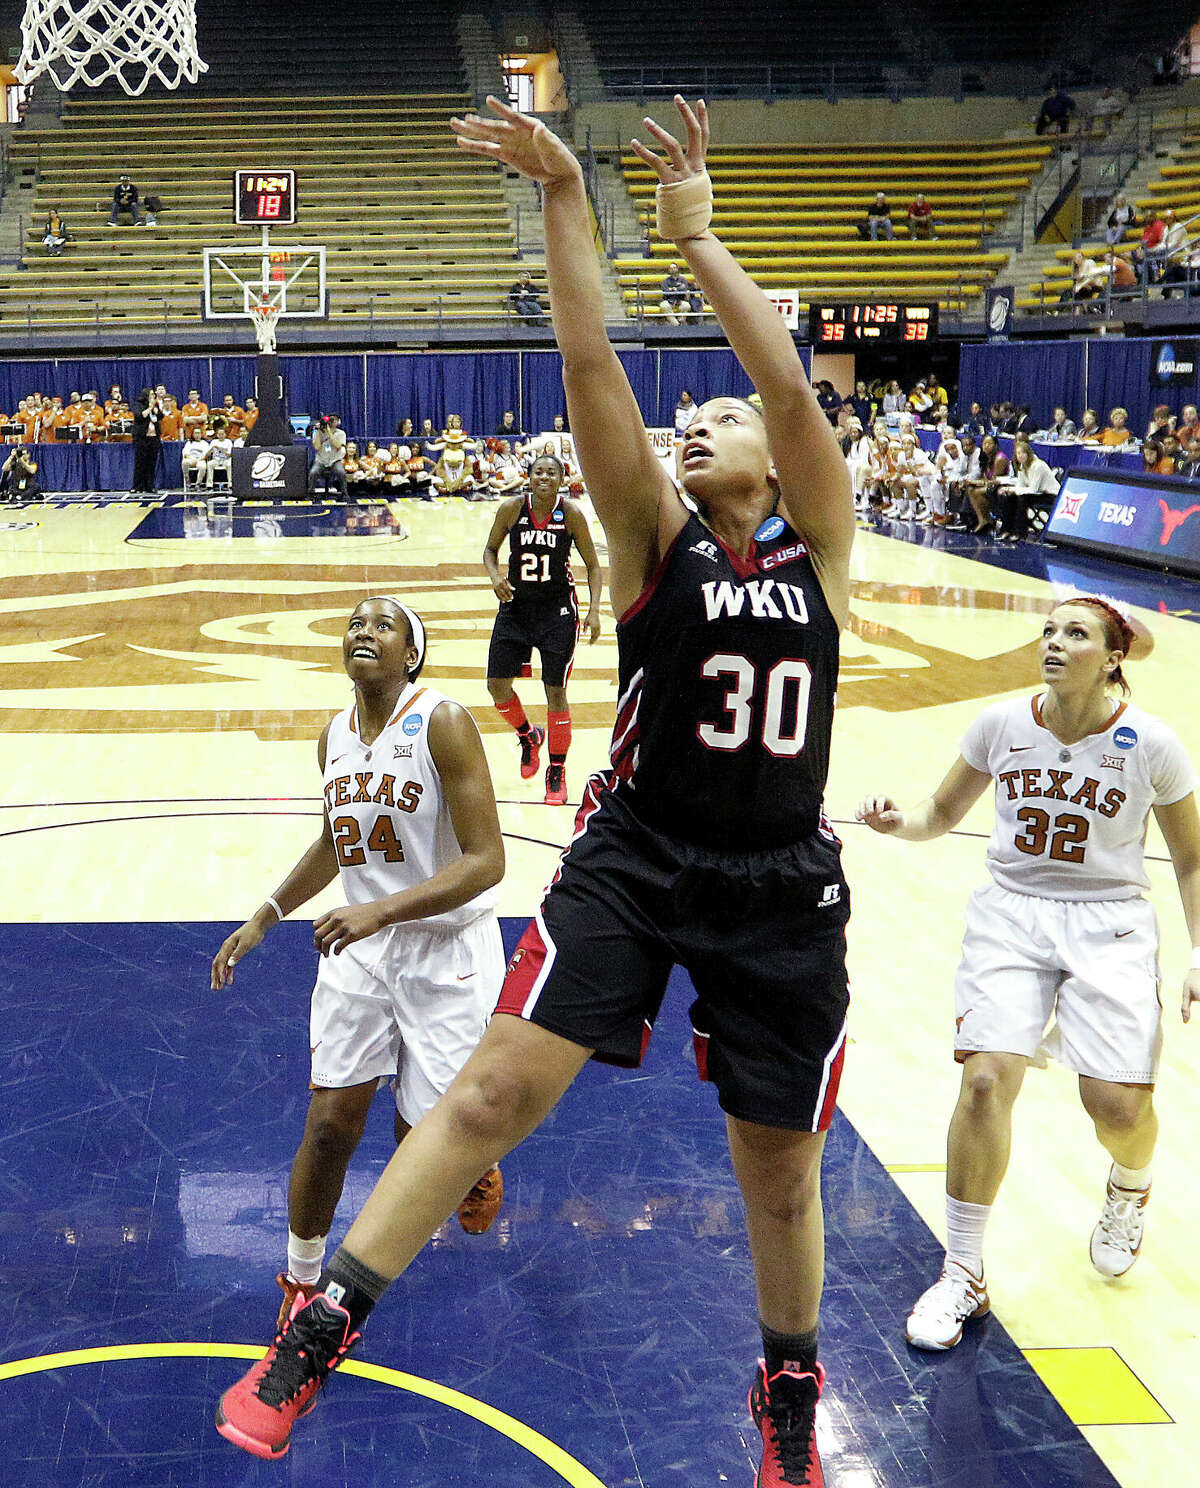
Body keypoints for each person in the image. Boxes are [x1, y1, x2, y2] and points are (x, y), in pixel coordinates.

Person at [215, 93, 857, 1488]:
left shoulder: (823, 547)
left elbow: (795, 395)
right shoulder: (650, 539)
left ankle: (789, 1388)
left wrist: (696, 241)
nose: (701, 426)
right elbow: (588, 374)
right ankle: (322, 1328)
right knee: (495, 1094)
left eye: (721, 417)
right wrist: (568, 198)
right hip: (638, 855)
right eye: (691, 417)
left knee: (779, 1164)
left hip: (782, 885)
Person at [856, 597, 1200, 1351]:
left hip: (1110, 923)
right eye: (1048, 630)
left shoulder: (1153, 744)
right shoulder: (1001, 726)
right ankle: (964, 1271)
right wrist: (898, 822)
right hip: (1012, 912)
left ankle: (1131, 1186)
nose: (1053, 642)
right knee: (984, 1079)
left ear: (1113, 656)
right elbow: (940, 813)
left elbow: (1192, 859)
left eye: (1074, 633)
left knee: (1114, 1107)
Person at [209, 599, 508, 1335]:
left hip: (447, 954)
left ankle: (470, 1160)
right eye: (354, 623)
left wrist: (382, 908)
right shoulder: (333, 738)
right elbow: (336, 841)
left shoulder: (443, 722)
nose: (362, 631)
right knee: (330, 1127)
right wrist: (266, 914)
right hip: (360, 954)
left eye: (382, 624)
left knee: (423, 1144)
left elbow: (488, 861)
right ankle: (302, 1283)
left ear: (411, 653)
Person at [483, 451, 603, 805]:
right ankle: (527, 735)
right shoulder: (511, 509)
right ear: (529, 477)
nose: (545, 477)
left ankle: (557, 770)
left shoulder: (571, 514)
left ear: (562, 480)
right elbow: (490, 550)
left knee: (555, 693)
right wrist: (495, 578)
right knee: (496, 686)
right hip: (515, 609)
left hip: (558, 613)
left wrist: (594, 611)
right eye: (539, 472)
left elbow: (594, 567)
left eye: (552, 473)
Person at [994, 440, 1059, 539]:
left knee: (1022, 499)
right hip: (1038, 494)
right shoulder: (1022, 467)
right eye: (1018, 453)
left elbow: (1034, 489)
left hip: (1051, 495)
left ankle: (1019, 532)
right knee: (1010, 497)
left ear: (1029, 453)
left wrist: (1011, 489)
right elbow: (1020, 486)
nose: (1020, 456)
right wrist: (1008, 489)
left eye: (1023, 453)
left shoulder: (1038, 465)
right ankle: (1006, 529)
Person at [965, 435, 1010, 534]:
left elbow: (994, 481)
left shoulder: (1000, 459)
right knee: (970, 489)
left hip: (1001, 486)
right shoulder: (985, 457)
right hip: (990, 485)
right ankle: (983, 520)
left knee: (976, 492)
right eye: (984, 444)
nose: (986, 446)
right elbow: (985, 478)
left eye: (989, 444)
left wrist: (978, 482)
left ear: (995, 445)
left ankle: (987, 520)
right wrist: (975, 482)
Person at [131, 389, 163, 494]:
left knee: (151, 463)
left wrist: (156, 410)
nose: (153, 396)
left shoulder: (155, 405)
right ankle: (137, 486)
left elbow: (160, 416)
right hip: (141, 438)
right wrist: (150, 408)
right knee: (140, 463)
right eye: (151, 394)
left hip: (153, 438)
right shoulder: (138, 405)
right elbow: (140, 416)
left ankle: (150, 486)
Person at [310, 414, 348, 499]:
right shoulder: (317, 433)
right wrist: (319, 431)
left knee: (341, 472)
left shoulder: (341, 433)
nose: (330, 422)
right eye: (329, 421)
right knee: (313, 472)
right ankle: (311, 493)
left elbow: (338, 445)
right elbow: (316, 447)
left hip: (335, 460)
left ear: (337, 422)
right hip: (321, 460)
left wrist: (329, 432)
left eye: (332, 420)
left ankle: (344, 494)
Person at [181, 426, 210, 494]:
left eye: (199, 433)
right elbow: (185, 454)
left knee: (203, 467)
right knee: (184, 462)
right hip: (191, 459)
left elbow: (206, 455)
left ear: (201, 434)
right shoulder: (189, 443)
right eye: (196, 433)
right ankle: (187, 479)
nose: (197, 435)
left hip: (200, 460)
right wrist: (192, 459)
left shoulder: (204, 443)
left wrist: (198, 460)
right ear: (193, 434)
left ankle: (198, 484)